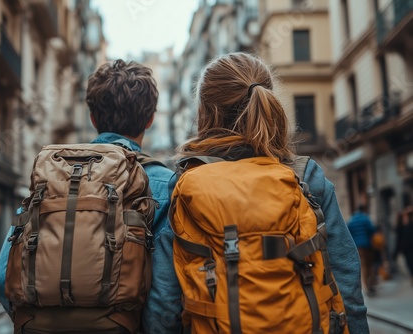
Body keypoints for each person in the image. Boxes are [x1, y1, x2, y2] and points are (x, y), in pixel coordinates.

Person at [174, 52, 369, 333]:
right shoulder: (305, 175)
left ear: (206, 111)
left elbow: (167, 295)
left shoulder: (185, 182)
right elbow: (345, 276)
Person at [0, 59, 182, 333]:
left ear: (93, 118)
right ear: (150, 119)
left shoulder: (52, 172)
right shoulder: (164, 184)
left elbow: (2, 278)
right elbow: (164, 298)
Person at [347, 204, 377, 296]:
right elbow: (372, 230)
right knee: (370, 265)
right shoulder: (365, 218)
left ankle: (366, 287)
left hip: (358, 247)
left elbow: (348, 234)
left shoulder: (351, 221)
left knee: (363, 266)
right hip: (368, 245)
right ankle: (371, 284)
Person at [394, 205, 413, 286]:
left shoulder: (411, 224)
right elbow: (398, 240)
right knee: (409, 264)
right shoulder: (400, 227)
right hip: (406, 249)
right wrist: (396, 252)